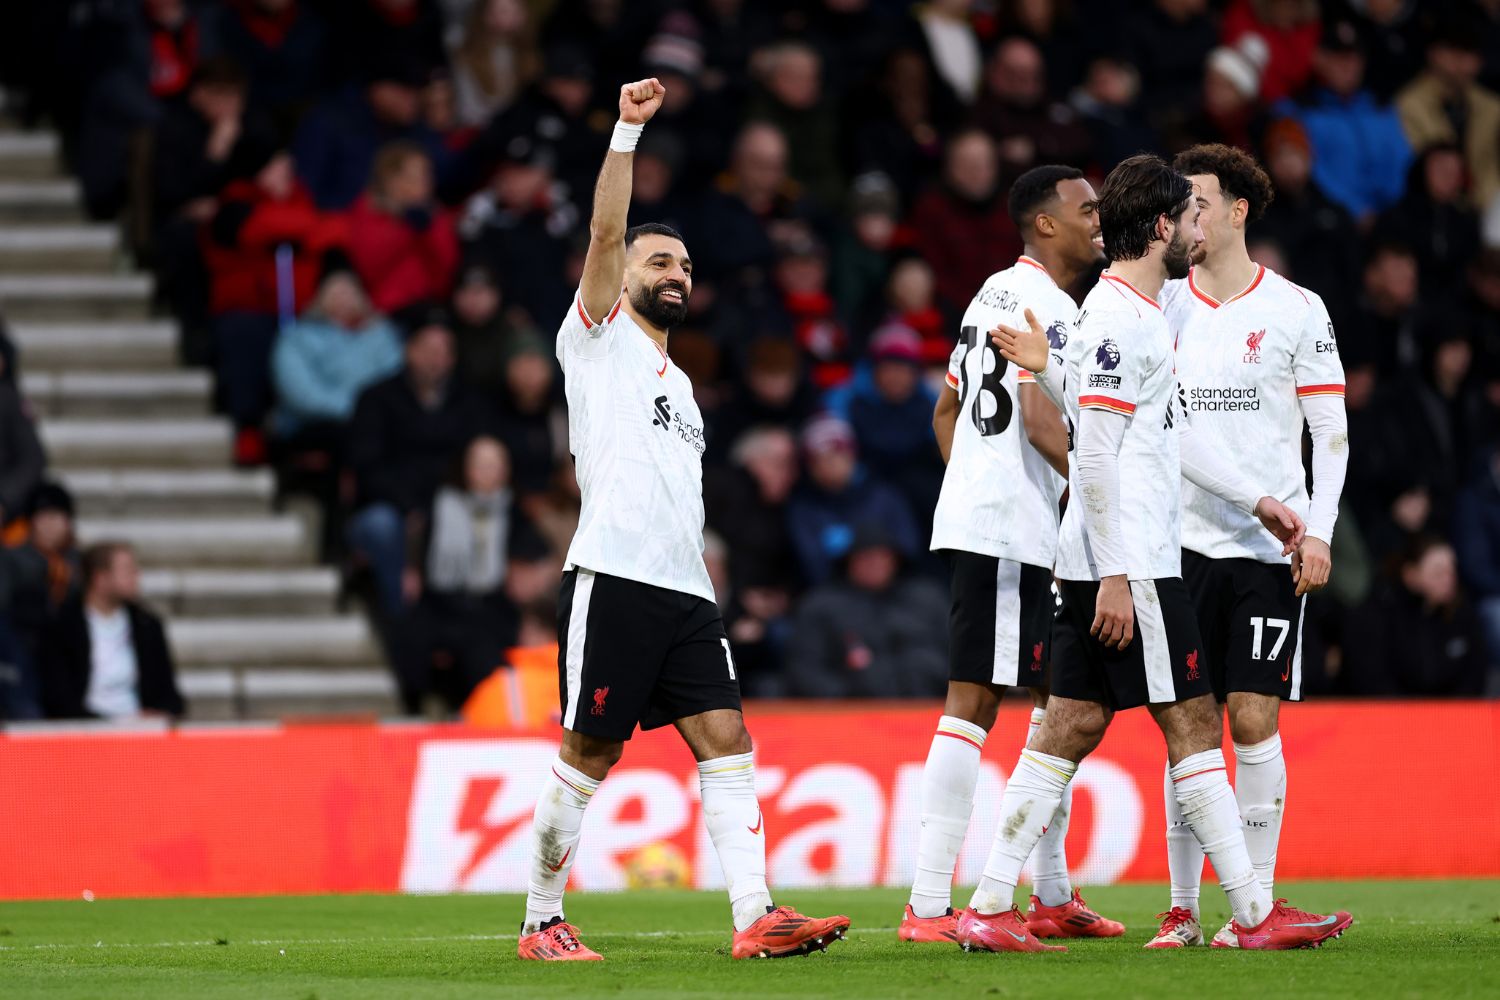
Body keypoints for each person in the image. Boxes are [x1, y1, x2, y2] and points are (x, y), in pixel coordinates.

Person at [516, 78, 848, 963]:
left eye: (686, 269)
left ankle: (755, 915)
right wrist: (625, 134)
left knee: (728, 737)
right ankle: (540, 920)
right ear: (624, 277)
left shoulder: (685, 386)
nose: (677, 276)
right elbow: (601, 232)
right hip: (614, 576)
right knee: (589, 752)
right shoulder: (594, 339)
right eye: (660, 264)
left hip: (684, 590)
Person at [987, 153, 1348, 952]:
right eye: (1187, 214)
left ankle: (984, 902)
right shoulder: (1134, 315)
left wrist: (1257, 500)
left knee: (1070, 724)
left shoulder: (1127, 313)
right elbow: (1096, 454)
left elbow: (1137, 428)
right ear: (1163, 227)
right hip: (1138, 561)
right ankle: (1247, 912)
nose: (1198, 226)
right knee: (1191, 723)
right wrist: (1117, 572)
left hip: (1120, 555)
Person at [900, 164, 1126, 947]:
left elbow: (946, 409)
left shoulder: (988, 293)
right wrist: (1104, 494)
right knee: (975, 703)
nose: (1100, 222)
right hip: (1007, 529)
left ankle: (1053, 893)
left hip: (998, 520)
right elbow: (1037, 420)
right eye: (1086, 211)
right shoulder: (1049, 307)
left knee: (1050, 701)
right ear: (1045, 224)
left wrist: (968, 480)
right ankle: (928, 908)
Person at [1145, 144, 1350, 949]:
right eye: (1177, 205)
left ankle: (1252, 906)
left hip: (1272, 550)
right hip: (1181, 544)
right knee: (1189, 724)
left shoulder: (1298, 308)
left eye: (1196, 202)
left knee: (1255, 718)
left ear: (1236, 210)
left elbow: (1330, 433)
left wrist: (1322, 528)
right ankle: (1183, 907)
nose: (1184, 218)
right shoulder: (1160, 306)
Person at [785, 523, 949, 698]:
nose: (875, 564)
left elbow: (956, 655)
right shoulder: (821, 606)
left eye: (883, 557)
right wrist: (848, 699)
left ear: (895, 560)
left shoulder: (927, 599)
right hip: (851, 714)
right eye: (866, 557)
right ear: (849, 562)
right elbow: (806, 669)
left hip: (929, 708)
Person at [40, 543, 184, 721]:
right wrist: (107, 723)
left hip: (140, 731)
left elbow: (169, 695)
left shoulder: (147, 625)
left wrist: (156, 714)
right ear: (100, 578)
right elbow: (58, 699)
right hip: (83, 733)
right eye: (127, 570)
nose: (136, 577)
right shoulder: (63, 627)